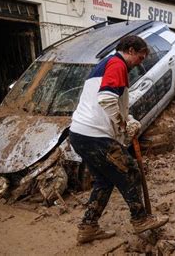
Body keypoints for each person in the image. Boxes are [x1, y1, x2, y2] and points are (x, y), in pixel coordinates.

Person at [69, 35, 168, 244]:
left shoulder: (108, 64)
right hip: (94, 134)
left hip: (80, 133)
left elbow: (113, 102)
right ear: (130, 50)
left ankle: (88, 227)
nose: (140, 64)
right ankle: (140, 219)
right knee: (130, 170)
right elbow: (106, 99)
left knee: (104, 181)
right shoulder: (117, 63)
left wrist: (128, 118)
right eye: (140, 58)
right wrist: (123, 125)